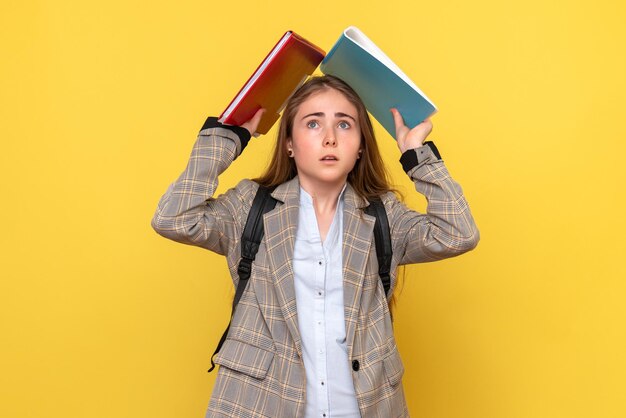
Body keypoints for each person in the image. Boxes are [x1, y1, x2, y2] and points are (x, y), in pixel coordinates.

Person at [152, 75, 479, 417]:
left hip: (365, 406)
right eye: (312, 123)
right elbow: (173, 218)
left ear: (361, 145)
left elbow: (457, 232)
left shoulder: (384, 215)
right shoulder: (250, 206)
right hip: (259, 405)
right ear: (289, 144)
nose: (329, 138)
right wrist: (228, 139)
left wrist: (417, 155)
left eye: (344, 124)